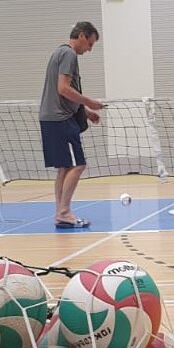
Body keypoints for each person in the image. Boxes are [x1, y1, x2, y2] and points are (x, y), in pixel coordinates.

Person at [39, 21, 104, 229]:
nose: (90, 49)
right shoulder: (69, 54)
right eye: (90, 44)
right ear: (82, 36)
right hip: (60, 119)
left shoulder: (59, 52)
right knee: (78, 165)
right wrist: (89, 102)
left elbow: (63, 92)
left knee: (65, 167)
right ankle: (64, 212)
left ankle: (61, 213)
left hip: (52, 118)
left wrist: (84, 112)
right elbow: (63, 89)